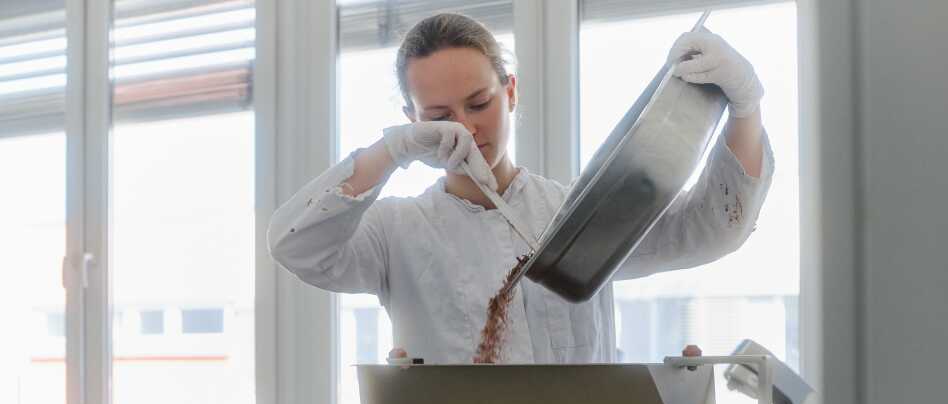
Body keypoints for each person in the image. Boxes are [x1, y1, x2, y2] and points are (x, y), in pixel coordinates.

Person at [269, 13, 774, 364]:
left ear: (510, 93)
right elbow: (296, 245)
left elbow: (710, 229)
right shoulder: (393, 231)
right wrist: (389, 153)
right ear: (411, 122)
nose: (465, 129)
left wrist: (744, 104)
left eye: (479, 102)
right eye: (438, 117)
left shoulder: (576, 215)